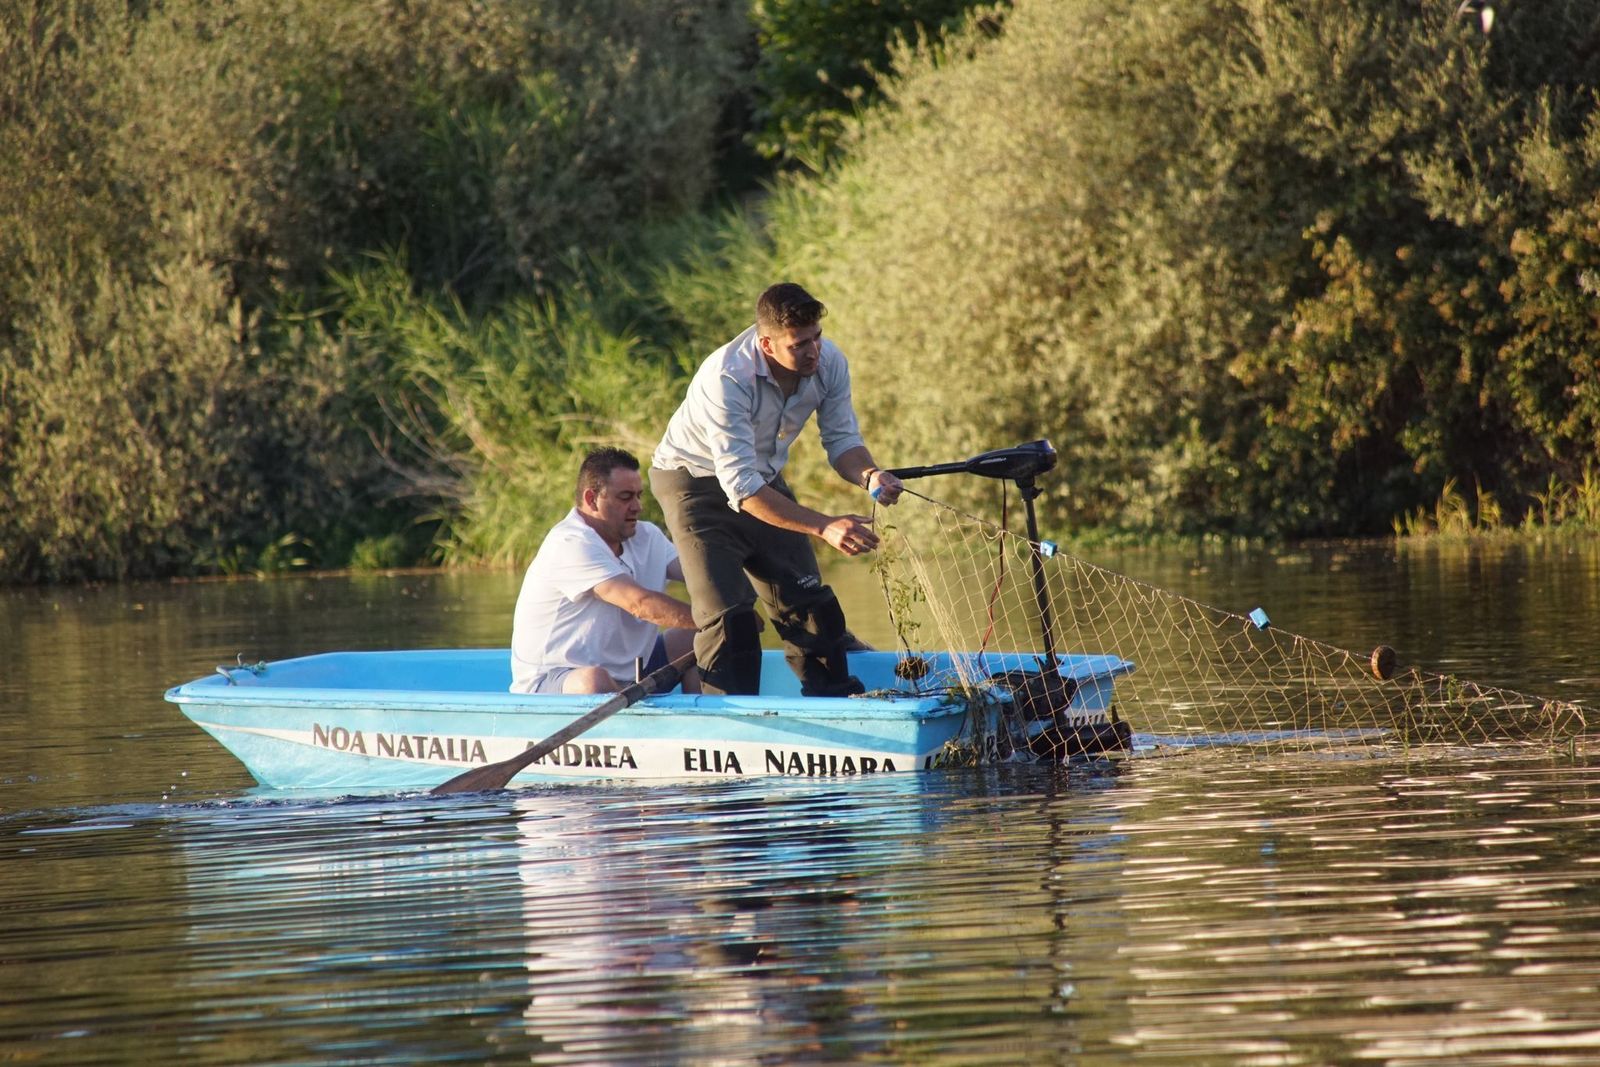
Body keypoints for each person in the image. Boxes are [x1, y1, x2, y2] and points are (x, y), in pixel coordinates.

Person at [650, 282, 904, 697]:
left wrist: (870, 476)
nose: (813, 350)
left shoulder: (829, 362)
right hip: (692, 483)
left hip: (760, 478)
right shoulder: (727, 377)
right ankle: (730, 722)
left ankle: (833, 699)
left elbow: (842, 441)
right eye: (799, 344)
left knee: (810, 603)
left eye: (817, 337)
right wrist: (824, 527)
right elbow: (742, 488)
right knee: (730, 619)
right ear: (767, 344)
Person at [510, 447, 700, 694]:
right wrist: (720, 622)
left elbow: (700, 575)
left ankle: (706, 719)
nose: (637, 507)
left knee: (702, 639)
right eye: (625, 497)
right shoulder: (570, 543)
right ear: (591, 499)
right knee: (593, 681)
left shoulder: (648, 536)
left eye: (638, 496)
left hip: (632, 675)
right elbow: (640, 604)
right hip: (554, 680)